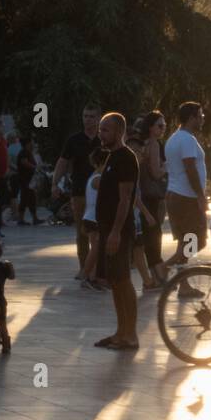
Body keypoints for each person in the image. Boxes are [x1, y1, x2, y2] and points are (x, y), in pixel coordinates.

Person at [94, 112, 140, 350]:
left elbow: (125, 200)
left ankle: (131, 335)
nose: (101, 133)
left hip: (118, 231)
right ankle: (120, 332)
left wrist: (115, 232)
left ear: (119, 132)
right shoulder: (112, 157)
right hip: (107, 229)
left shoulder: (125, 158)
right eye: (101, 129)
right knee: (114, 281)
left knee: (123, 280)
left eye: (106, 130)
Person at [51, 105, 101, 280]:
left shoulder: (104, 138)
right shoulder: (74, 140)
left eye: (92, 116)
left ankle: (99, 269)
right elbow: (63, 162)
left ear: (98, 118)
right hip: (79, 191)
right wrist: (55, 183)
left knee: (101, 230)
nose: (88, 120)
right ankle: (83, 267)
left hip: (102, 192)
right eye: (85, 116)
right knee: (82, 230)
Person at [164, 101, 208, 265]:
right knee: (196, 241)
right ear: (192, 118)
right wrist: (200, 196)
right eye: (200, 116)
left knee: (185, 242)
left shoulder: (174, 138)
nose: (203, 119)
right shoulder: (187, 139)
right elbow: (190, 168)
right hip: (186, 198)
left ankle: (183, 284)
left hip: (176, 195)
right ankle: (163, 269)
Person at [135, 111, 168, 284]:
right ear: (150, 127)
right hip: (153, 196)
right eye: (160, 126)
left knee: (149, 236)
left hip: (143, 194)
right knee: (155, 235)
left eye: (164, 126)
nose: (163, 129)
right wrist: (166, 167)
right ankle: (159, 275)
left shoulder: (143, 144)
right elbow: (155, 173)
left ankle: (154, 276)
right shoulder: (154, 144)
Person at [80, 148, 106, 291]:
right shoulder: (97, 179)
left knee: (96, 248)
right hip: (93, 218)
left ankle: (93, 277)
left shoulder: (94, 176)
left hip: (92, 217)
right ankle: (85, 276)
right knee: (96, 248)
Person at [16, 138, 42, 224]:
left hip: (29, 179)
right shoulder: (24, 152)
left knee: (31, 198)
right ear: (27, 143)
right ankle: (21, 219)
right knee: (26, 198)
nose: (33, 144)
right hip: (25, 180)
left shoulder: (27, 152)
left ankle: (34, 218)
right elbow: (24, 162)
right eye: (32, 142)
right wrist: (35, 167)